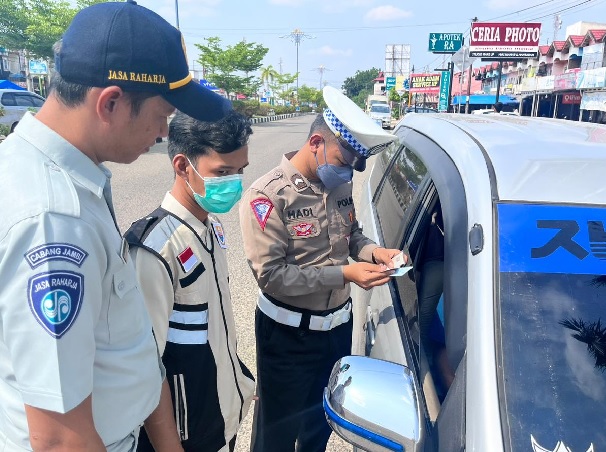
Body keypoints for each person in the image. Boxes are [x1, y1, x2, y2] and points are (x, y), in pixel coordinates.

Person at [0, 1, 231, 450]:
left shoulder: (56, 173)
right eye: (163, 114)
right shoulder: (54, 219)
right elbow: (59, 438)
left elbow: (124, 346)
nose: (164, 133)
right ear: (111, 103)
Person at [239, 85, 405, 452]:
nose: (347, 172)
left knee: (320, 425)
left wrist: (376, 253)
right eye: (344, 160)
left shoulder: (338, 187)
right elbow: (271, 276)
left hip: (336, 329)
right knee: (277, 435)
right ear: (316, 141)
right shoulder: (268, 196)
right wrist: (345, 274)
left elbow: (353, 234)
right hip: (287, 334)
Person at [125, 111, 256, 452]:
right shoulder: (155, 249)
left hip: (220, 418)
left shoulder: (210, 228)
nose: (234, 183)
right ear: (183, 166)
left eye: (240, 171)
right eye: (222, 173)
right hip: (185, 436)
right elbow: (144, 367)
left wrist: (237, 379)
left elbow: (214, 324)